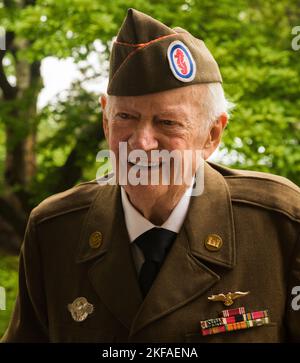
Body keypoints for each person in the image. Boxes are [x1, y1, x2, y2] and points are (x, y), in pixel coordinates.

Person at [2, 8, 300, 343]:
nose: (141, 143)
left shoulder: (282, 225)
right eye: (126, 117)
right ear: (105, 121)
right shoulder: (54, 232)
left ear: (212, 135)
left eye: (167, 123)